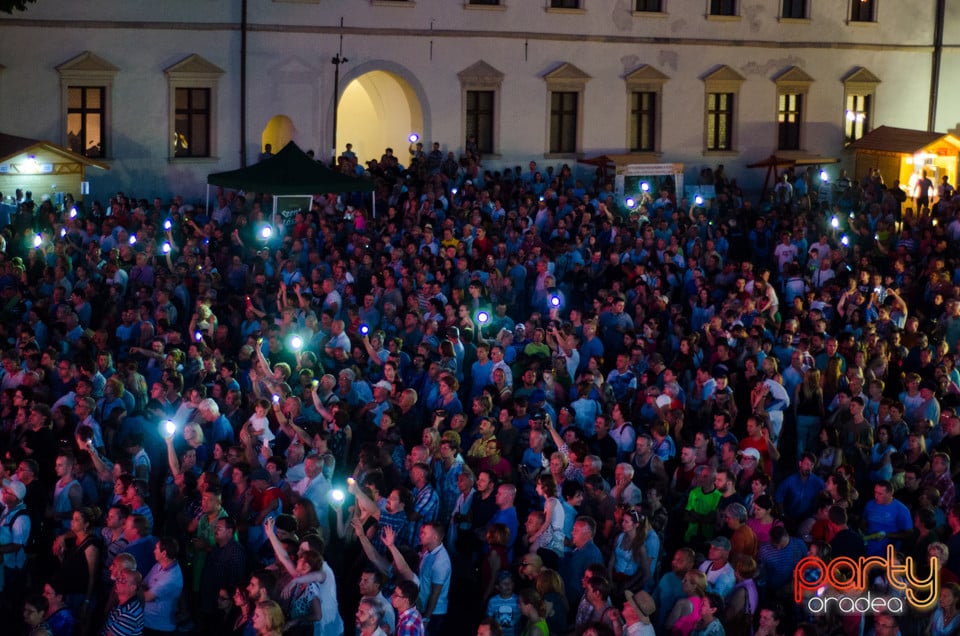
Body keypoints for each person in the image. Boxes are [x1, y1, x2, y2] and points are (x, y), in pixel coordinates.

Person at [142, 536, 183, 635]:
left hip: (158, 628)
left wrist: (131, 589)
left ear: (164, 553)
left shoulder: (171, 578)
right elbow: (144, 583)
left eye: (156, 548)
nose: (154, 551)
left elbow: (146, 597)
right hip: (147, 622)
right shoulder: (159, 565)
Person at [103, 570, 144, 636]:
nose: (117, 581)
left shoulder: (130, 615)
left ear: (132, 588)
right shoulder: (121, 602)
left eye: (123, 580)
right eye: (118, 578)